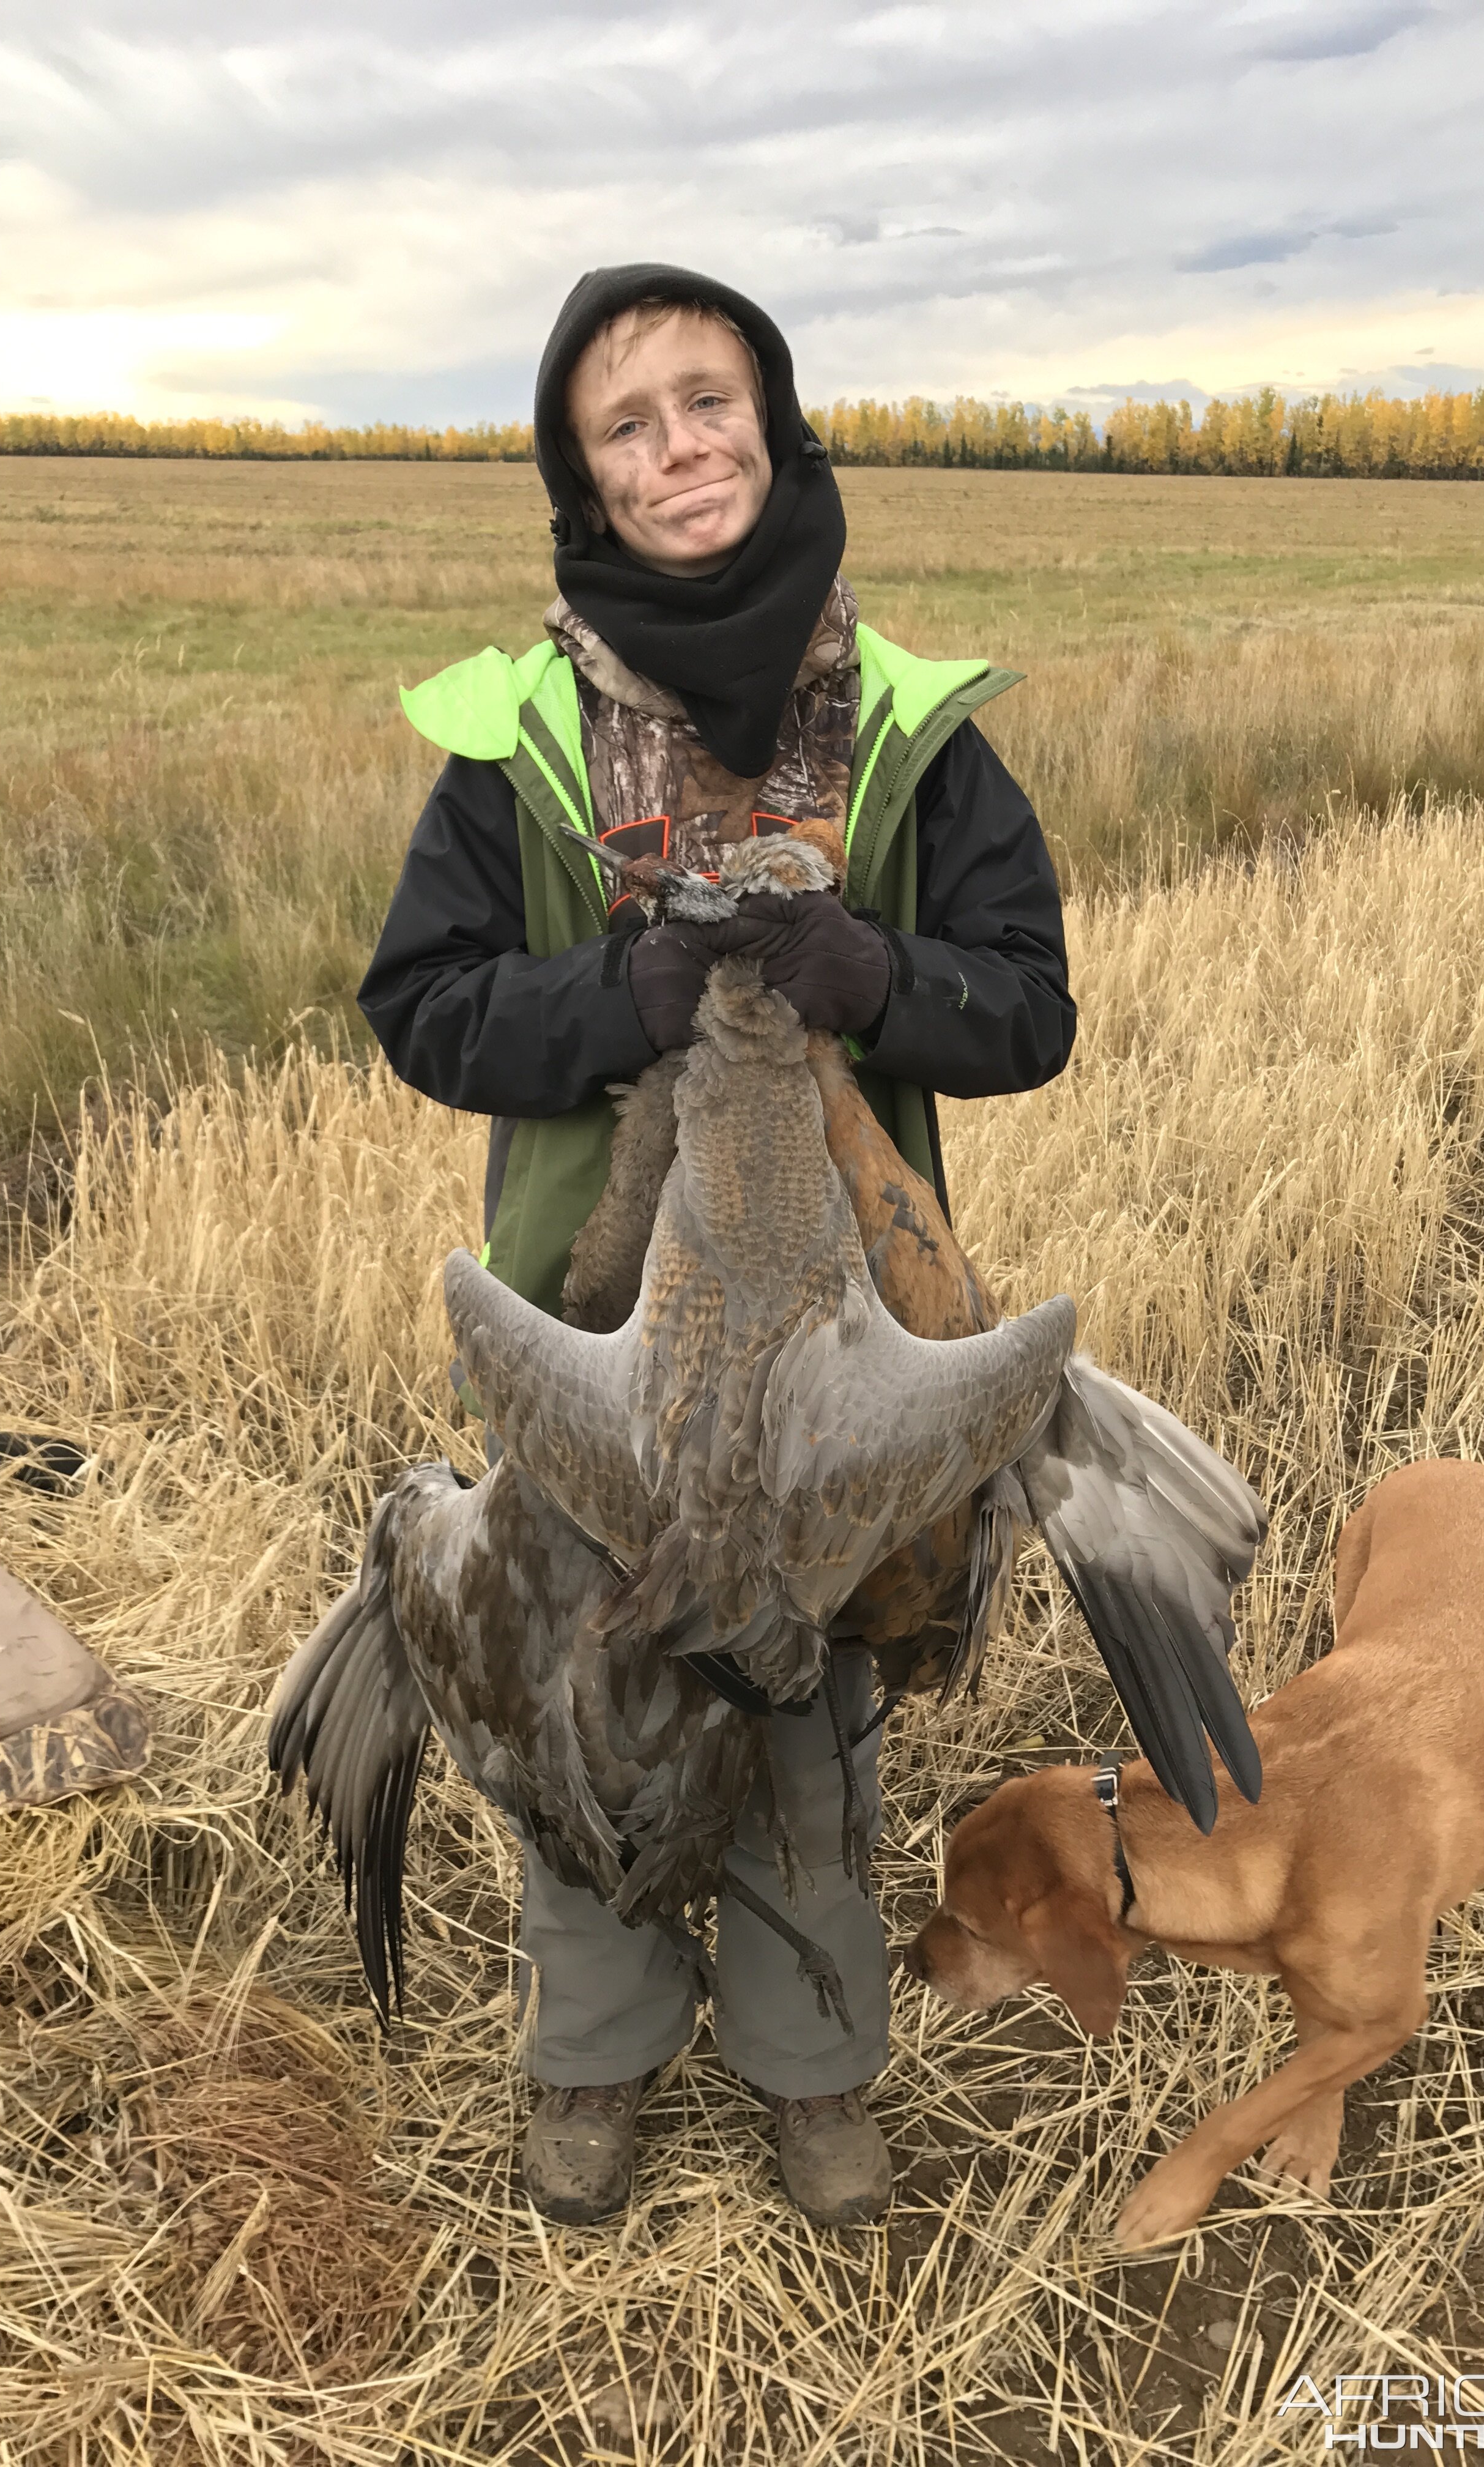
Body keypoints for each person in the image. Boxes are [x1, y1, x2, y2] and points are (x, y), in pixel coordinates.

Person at [358, 264, 1075, 2230]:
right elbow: (419, 1009)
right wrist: (629, 998)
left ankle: (812, 2064)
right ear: (580, 476)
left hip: (846, 1341)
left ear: (772, 416)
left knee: (811, 1701)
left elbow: (1030, 1010)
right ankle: (593, 2062)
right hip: (601, 1338)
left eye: (707, 399)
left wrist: (876, 973)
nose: (679, 446)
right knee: (589, 1693)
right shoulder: (519, 738)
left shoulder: (917, 724)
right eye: (627, 422)